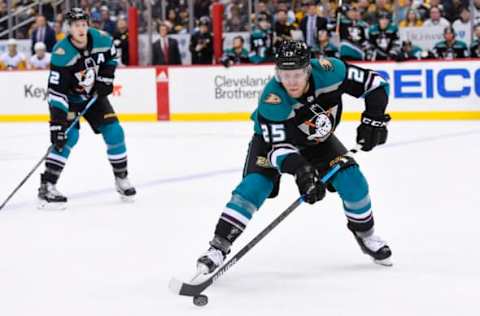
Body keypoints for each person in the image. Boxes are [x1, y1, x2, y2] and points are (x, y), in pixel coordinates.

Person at [196, 40, 393, 276]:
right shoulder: (272, 98)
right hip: (273, 144)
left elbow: (376, 84)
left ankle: (367, 236)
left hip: (316, 142)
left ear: (308, 69)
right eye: (284, 74)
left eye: (297, 74)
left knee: (353, 180)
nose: (290, 81)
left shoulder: (331, 71)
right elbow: (278, 149)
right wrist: (303, 173)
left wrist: (374, 119)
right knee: (253, 187)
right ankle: (218, 247)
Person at [38, 8, 136, 209]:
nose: (81, 29)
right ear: (69, 28)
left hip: (93, 96)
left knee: (115, 132)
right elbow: (56, 92)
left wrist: (106, 78)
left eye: (84, 24)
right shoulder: (61, 52)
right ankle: (47, 186)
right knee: (67, 137)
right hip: (69, 99)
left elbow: (111, 57)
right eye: (76, 25)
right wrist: (57, 125)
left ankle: (121, 179)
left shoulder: (102, 39)